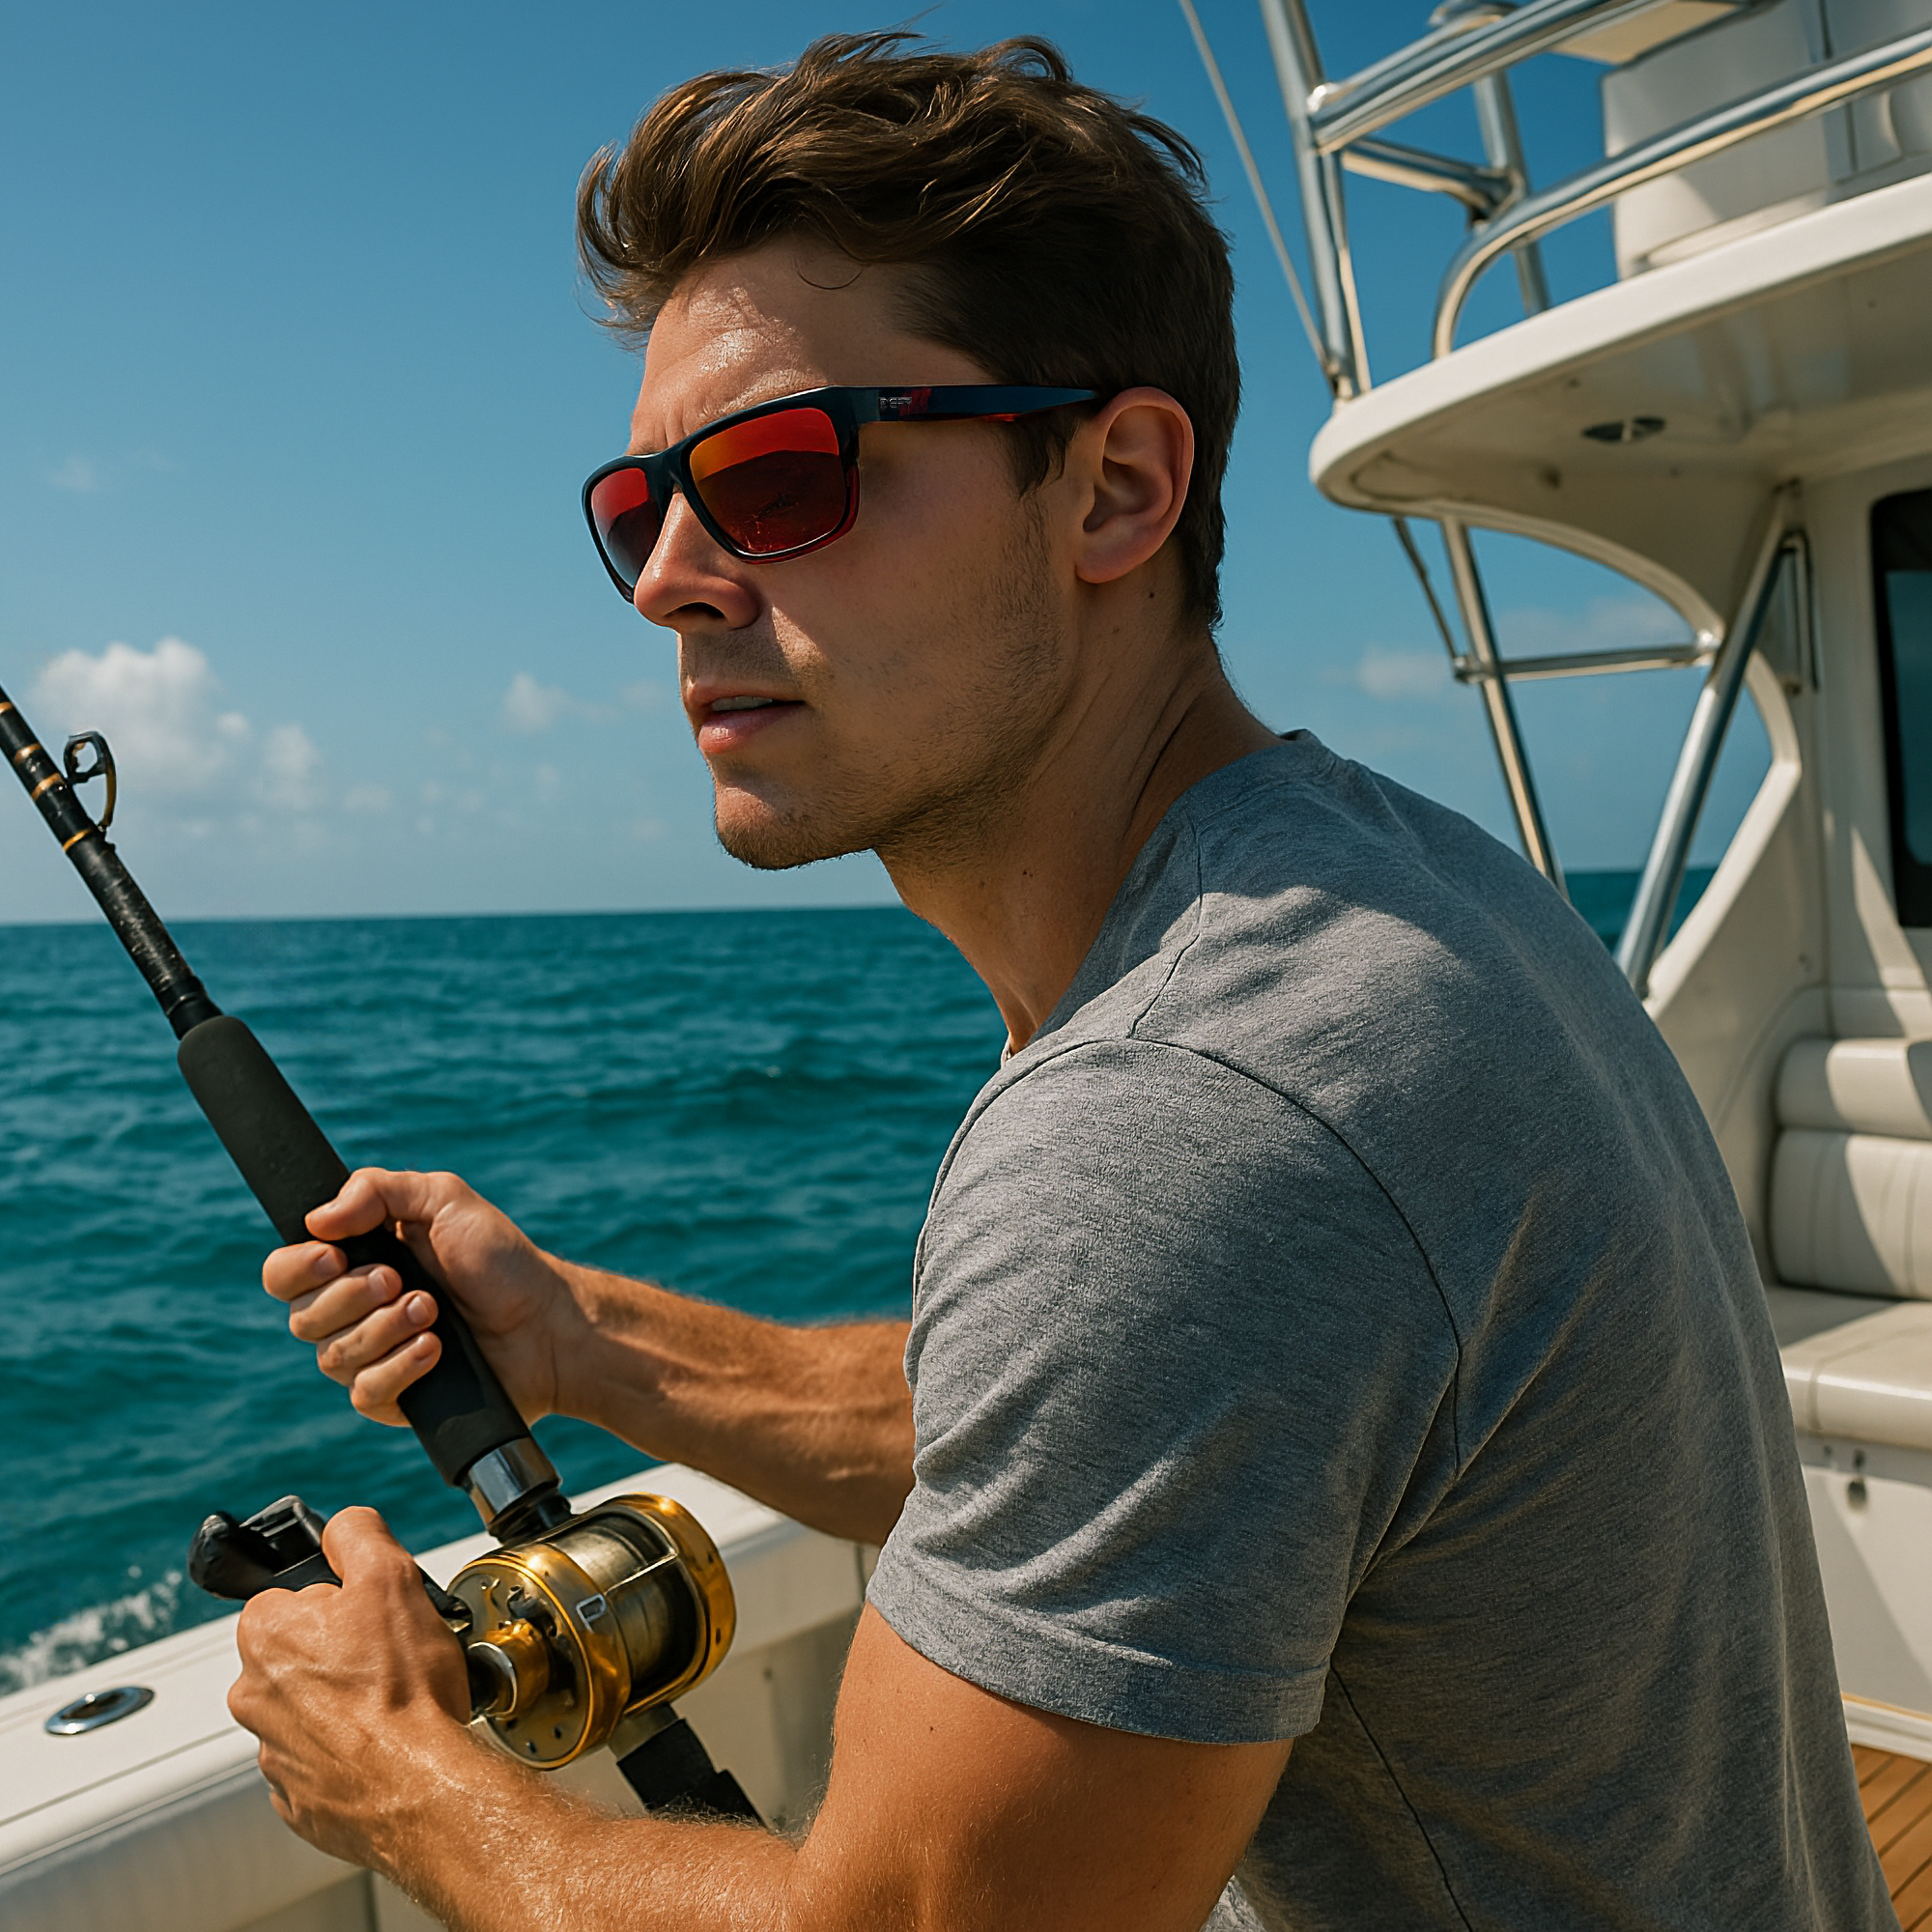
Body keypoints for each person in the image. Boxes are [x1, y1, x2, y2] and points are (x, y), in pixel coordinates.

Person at [227, 32, 1892, 1932]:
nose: (668, 577)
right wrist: (584, 1338)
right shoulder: (1391, 893)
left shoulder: (1184, 1113)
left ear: (1112, 487)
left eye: (779, 477)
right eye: (640, 506)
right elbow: (1090, 1427)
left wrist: (409, 1783)